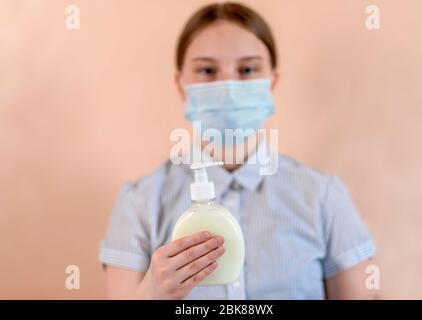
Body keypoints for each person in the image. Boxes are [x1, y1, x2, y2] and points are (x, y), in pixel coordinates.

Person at [99, 2, 376, 300]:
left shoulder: (323, 197)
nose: (228, 85)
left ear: (272, 82)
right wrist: (153, 292)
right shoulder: (138, 204)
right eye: (207, 70)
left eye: (247, 69)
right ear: (181, 85)